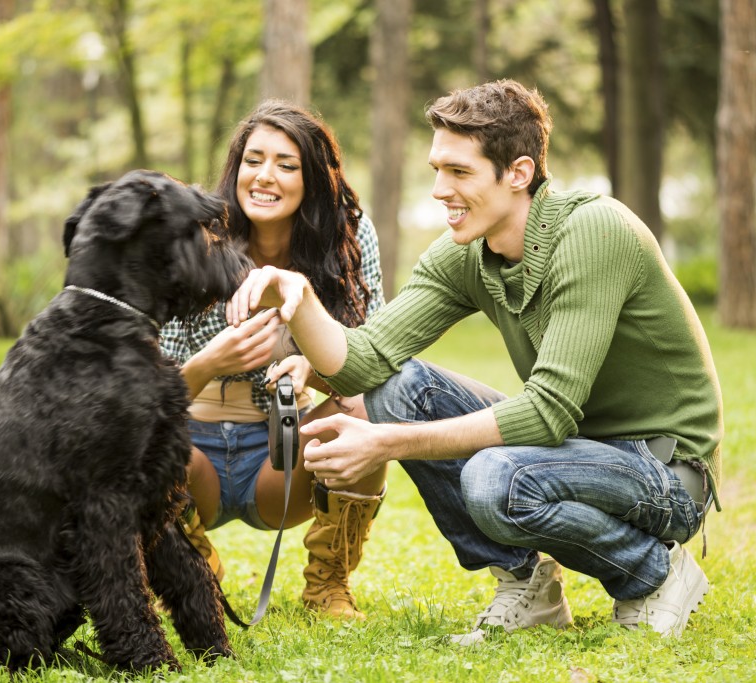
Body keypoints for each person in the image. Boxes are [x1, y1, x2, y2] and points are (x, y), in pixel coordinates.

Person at [227, 79, 723, 641]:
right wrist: (297, 299)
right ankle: (526, 584)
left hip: (664, 470)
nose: (439, 190)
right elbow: (365, 361)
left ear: (519, 172)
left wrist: (385, 442)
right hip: (579, 451)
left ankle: (656, 575)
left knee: (494, 478)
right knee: (400, 389)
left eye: (459, 173)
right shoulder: (465, 252)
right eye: (438, 168)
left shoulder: (594, 232)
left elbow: (547, 415)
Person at [159, 100, 388, 620]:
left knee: (365, 414)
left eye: (286, 165)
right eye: (253, 160)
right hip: (194, 459)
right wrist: (210, 362)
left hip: (281, 459)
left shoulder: (347, 234)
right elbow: (151, 392)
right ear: (235, 167)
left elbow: (374, 350)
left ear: (314, 179)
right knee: (135, 440)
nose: (265, 177)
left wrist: (318, 364)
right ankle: (194, 576)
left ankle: (328, 585)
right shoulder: (195, 237)